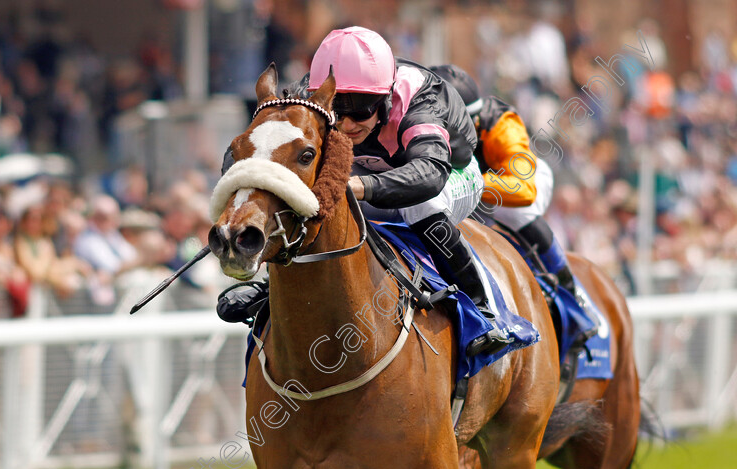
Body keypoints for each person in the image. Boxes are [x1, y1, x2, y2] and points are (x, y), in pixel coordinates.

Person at [218, 27, 507, 351]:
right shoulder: (307, 95)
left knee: (421, 206)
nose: (348, 123)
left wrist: (357, 185)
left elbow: (429, 175)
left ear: (386, 96)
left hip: (449, 171)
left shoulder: (420, 99)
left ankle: (484, 310)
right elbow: (254, 146)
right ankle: (269, 288)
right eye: (338, 111)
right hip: (372, 165)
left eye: (361, 108)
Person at [429, 64, 598, 337]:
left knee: (516, 212)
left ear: (469, 121)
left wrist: (470, 183)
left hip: (515, 183)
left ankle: (573, 294)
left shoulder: (502, 125)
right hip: (467, 188)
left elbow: (523, 189)